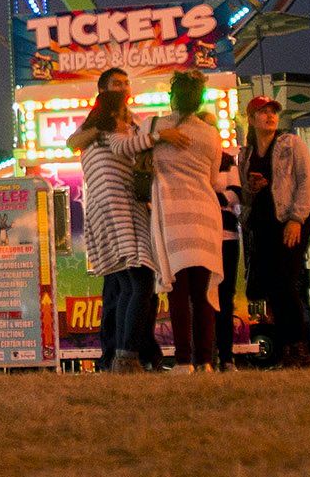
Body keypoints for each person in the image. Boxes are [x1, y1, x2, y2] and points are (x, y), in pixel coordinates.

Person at [69, 80, 170, 371]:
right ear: (113, 110)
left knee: (129, 288)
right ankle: (125, 355)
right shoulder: (109, 133)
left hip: (107, 218)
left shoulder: (93, 138)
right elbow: (126, 144)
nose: (130, 114)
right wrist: (161, 135)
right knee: (139, 284)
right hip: (122, 215)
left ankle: (124, 356)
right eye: (125, 108)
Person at [150, 72, 225, 372]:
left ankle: (183, 361)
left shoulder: (156, 126)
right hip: (205, 217)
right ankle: (205, 360)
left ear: (172, 96)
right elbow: (214, 178)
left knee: (178, 294)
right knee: (203, 294)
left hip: (173, 218)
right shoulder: (210, 134)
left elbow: (131, 150)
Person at [239, 98, 310, 367]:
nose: (270, 116)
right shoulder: (246, 155)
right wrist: (252, 187)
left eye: (273, 112)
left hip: (288, 222)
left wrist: (296, 218)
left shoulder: (291, 144)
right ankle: (286, 347)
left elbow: (306, 181)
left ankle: (299, 347)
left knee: (285, 283)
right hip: (263, 227)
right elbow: (245, 196)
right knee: (270, 289)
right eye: (263, 112)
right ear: (250, 119)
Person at [214, 122, 242, 370]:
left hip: (227, 237)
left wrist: (214, 198)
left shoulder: (228, 160)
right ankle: (205, 355)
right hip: (202, 236)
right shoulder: (192, 161)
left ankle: (226, 356)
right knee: (202, 297)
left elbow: (236, 193)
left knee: (225, 297)